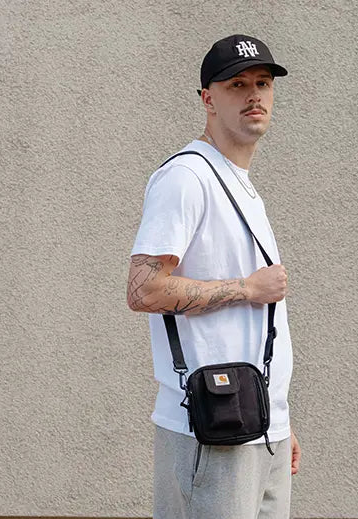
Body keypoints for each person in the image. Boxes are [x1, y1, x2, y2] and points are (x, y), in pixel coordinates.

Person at [126, 34, 299, 519]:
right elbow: (143, 289)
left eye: (263, 83)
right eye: (236, 84)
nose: (253, 95)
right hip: (210, 427)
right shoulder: (187, 177)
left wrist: (278, 418)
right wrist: (246, 289)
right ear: (208, 99)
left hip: (259, 425)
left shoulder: (241, 186)